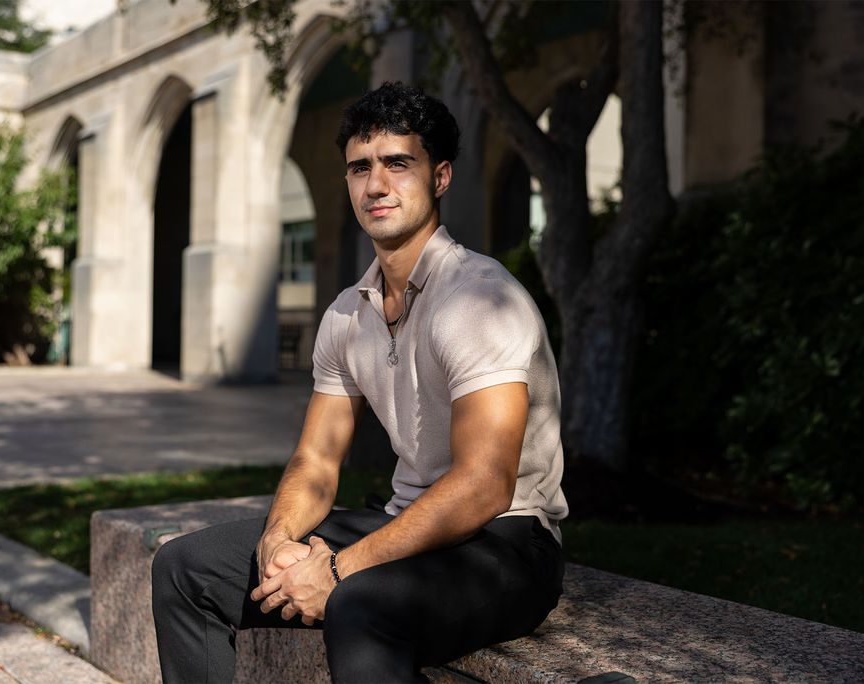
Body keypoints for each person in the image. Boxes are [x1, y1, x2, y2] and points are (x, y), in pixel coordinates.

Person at [152, 81, 567, 683]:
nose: (376, 184)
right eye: (360, 168)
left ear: (441, 176)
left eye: (399, 164)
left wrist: (338, 571)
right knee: (185, 567)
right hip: (407, 521)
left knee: (358, 605)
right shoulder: (348, 314)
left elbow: (484, 485)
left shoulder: (479, 298)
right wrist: (278, 543)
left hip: (508, 545)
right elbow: (316, 461)